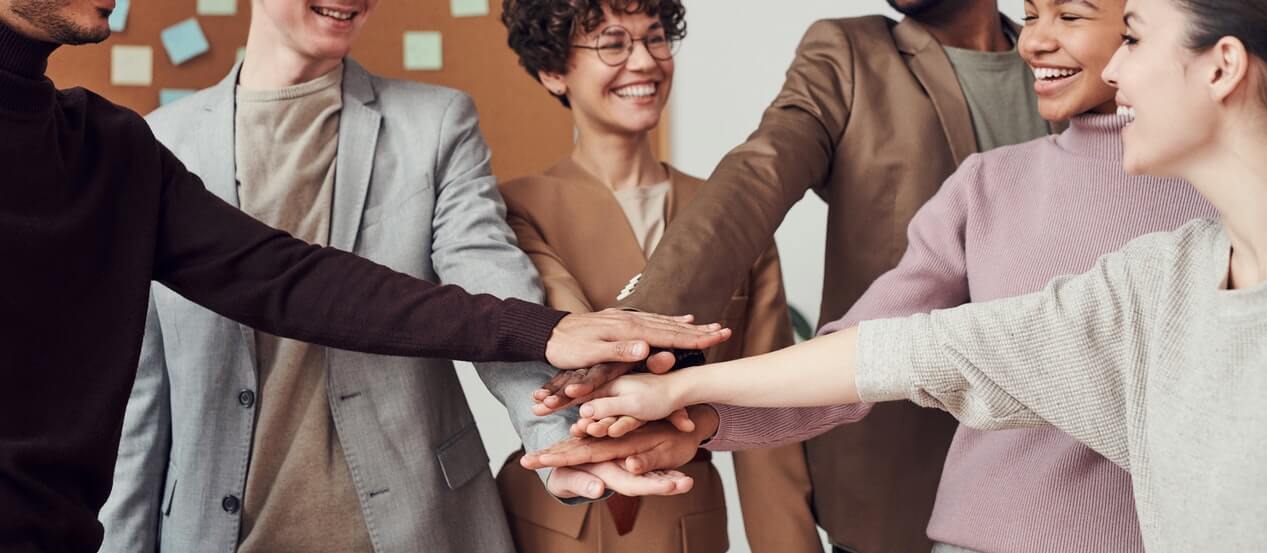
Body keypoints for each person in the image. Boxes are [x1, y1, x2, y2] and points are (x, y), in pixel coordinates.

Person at [535, 0, 1267, 549]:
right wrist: (670, 382)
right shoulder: (1113, 254)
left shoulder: (1186, 223)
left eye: (1088, 22)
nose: (1047, 39)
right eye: (1038, 13)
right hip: (938, 508)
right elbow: (893, 335)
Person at [0, 0, 730, 550]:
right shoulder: (161, 136)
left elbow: (294, 279)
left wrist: (556, 388)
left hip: (410, 524)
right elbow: (143, 404)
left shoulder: (110, 150)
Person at [533, 1, 1051, 550]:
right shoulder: (852, 53)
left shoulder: (1074, 60)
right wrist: (643, 322)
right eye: (612, 44)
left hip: (1071, 475)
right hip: (899, 474)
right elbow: (760, 173)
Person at [493, 1, 804, 551]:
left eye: (656, 39)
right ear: (553, 70)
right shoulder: (515, 209)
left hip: (687, 518)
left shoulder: (729, 210)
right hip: (548, 520)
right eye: (612, 43)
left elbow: (771, 404)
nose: (644, 62)